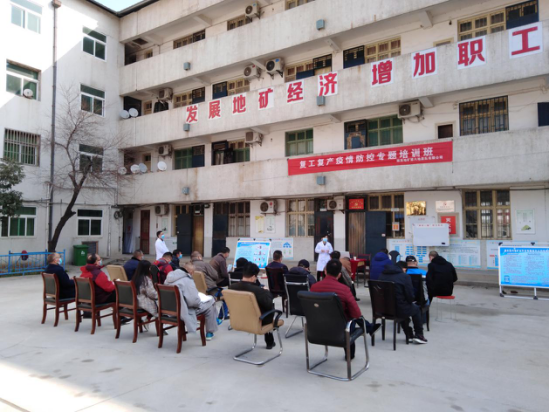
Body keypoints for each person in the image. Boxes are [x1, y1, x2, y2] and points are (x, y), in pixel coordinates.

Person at [311, 259, 380, 359]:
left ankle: (369, 328)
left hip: (317, 329)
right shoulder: (344, 289)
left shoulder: (314, 288)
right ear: (339, 274)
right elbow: (356, 314)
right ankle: (350, 354)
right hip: (341, 330)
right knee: (351, 316)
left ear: (325, 271)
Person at [229, 263, 277, 349]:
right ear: (254, 276)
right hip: (257, 321)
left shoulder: (231, 287)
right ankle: (269, 341)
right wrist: (267, 292)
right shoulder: (259, 291)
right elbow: (269, 305)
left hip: (239, 320)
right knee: (268, 309)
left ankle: (270, 341)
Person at [165, 263, 219, 341]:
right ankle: (210, 331)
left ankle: (215, 320)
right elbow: (194, 302)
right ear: (190, 272)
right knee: (211, 303)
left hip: (170, 310)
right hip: (184, 311)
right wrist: (200, 300)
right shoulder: (187, 280)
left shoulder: (169, 278)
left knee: (209, 303)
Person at [379, 262, 428, 344]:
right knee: (415, 309)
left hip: (383, 309)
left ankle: (409, 334)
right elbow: (410, 296)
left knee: (403, 307)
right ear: (404, 269)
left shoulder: (382, 275)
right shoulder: (404, 277)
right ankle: (419, 335)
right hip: (399, 308)